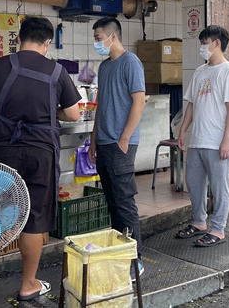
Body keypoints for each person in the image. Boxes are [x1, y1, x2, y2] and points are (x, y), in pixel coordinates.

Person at [0, 17, 81, 302]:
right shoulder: (57, 72)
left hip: (3, 149)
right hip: (40, 152)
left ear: (19, 38)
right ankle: (29, 284)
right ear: (47, 43)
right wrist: (48, 113)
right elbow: (73, 114)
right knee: (33, 218)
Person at [88, 17, 146, 276]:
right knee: (112, 201)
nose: (96, 42)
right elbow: (102, 105)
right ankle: (120, 254)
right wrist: (93, 139)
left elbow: (139, 101)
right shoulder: (104, 67)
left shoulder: (130, 62)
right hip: (103, 142)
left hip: (121, 144)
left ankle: (136, 260)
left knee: (124, 202)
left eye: (98, 37)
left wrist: (125, 137)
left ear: (113, 36)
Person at [176, 25, 229, 247]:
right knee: (194, 184)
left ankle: (219, 229)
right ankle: (199, 222)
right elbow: (192, 104)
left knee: (219, 187)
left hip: (218, 142)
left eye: (205, 42)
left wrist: (226, 141)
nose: (202, 46)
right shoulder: (200, 71)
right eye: (201, 42)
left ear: (217, 43)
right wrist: (183, 130)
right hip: (198, 138)